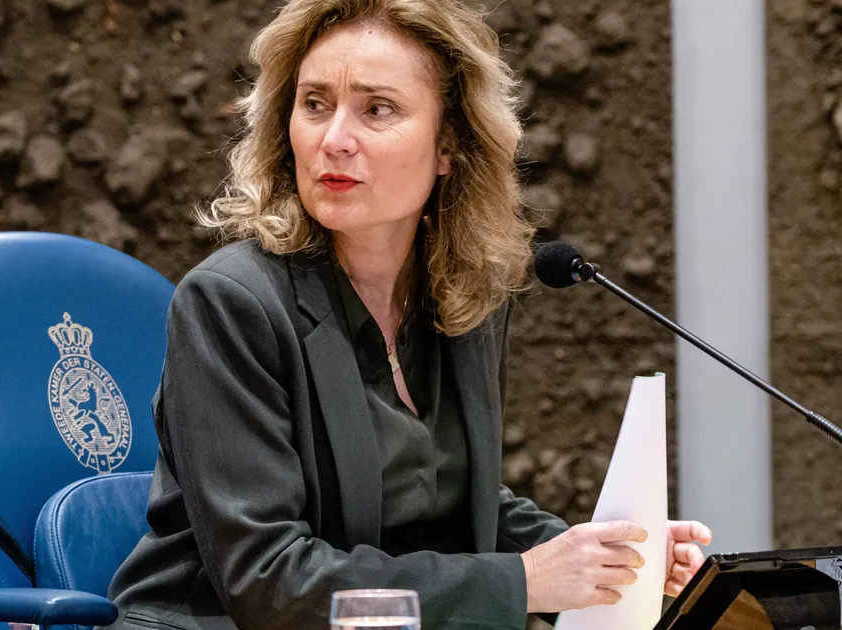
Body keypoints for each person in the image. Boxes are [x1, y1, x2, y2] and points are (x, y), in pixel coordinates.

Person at [102, 1, 711, 628]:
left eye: (377, 109)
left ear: (449, 146)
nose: (334, 139)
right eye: (314, 104)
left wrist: (611, 562)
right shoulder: (232, 302)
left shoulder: (466, 297)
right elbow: (267, 578)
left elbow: (459, 504)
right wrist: (525, 581)